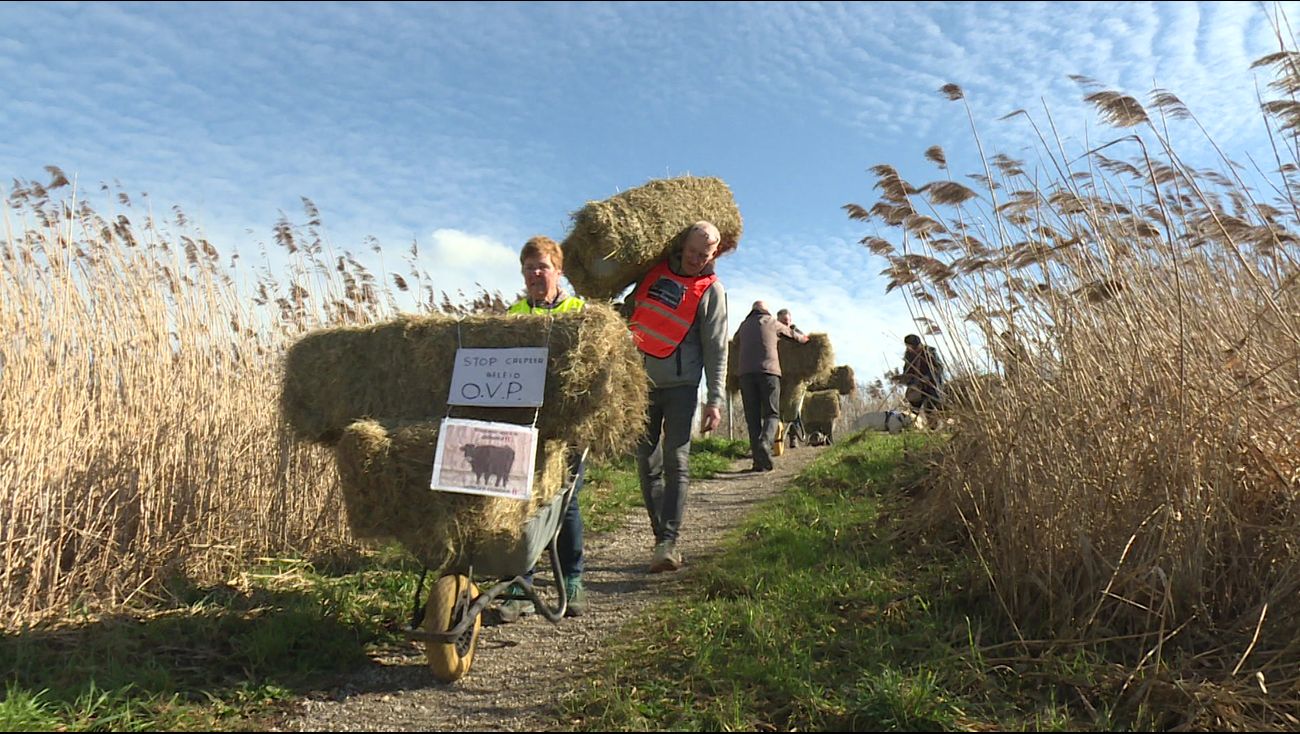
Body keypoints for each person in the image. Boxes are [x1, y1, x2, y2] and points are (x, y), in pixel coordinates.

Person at [625, 221, 728, 573]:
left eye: (705, 255)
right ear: (682, 245)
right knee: (646, 461)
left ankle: (668, 540)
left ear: (714, 255)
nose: (697, 260)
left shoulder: (711, 290)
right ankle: (660, 537)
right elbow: (629, 312)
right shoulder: (650, 273)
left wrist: (714, 399)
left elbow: (716, 348)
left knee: (676, 459)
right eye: (693, 252)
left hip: (683, 386)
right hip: (641, 383)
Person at [497, 236, 588, 622]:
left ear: (558, 270)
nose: (536, 273)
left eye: (543, 266)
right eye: (529, 267)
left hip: (565, 425)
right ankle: (520, 585)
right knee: (518, 502)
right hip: (522, 424)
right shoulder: (512, 314)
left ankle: (573, 580)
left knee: (565, 502)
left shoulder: (579, 311)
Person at [734, 300, 807, 472]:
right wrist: (804, 338)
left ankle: (758, 463)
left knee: (752, 419)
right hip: (768, 373)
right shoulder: (772, 322)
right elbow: (792, 335)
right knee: (772, 414)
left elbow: (735, 341)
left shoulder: (743, 326)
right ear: (766, 311)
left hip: (745, 375)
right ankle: (764, 443)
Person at [776, 309, 807, 446]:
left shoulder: (796, 331)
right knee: (778, 408)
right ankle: (777, 437)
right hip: (777, 374)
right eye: (783, 321)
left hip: (794, 377)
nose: (785, 324)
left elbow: (807, 341)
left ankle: (793, 437)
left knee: (794, 407)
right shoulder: (774, 332)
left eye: (787, 321)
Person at [902, 334, 944, 426]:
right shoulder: (909, 356)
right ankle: (911, 427)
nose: (910, 348)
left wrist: (928, 377)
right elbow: (907, 371)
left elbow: (939, 368)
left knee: (930, 408)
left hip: (931, 385)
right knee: (913, 408)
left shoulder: (929, 352)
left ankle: (934, 428)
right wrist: (904, 379)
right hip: (917, 386)